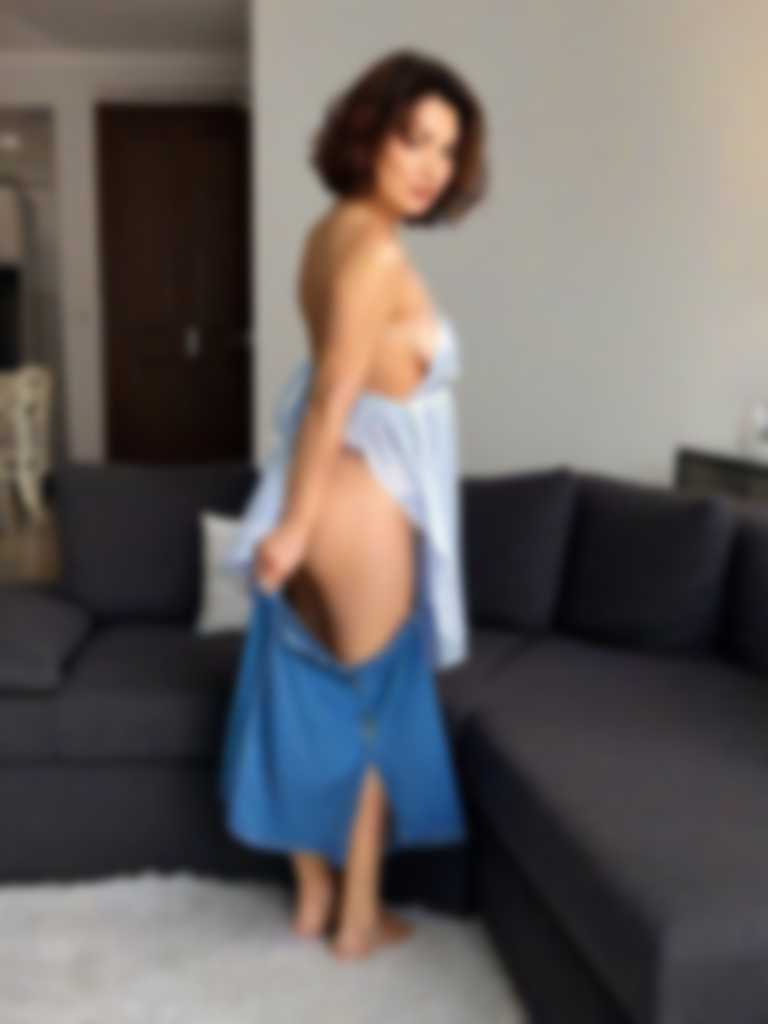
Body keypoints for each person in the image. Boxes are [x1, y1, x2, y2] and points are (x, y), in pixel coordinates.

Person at [217, 47, 489, 961]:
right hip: (357, 506)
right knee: (378, 709)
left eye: (447, 150)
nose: (430, 166)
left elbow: (335, 387)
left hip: (322, 492)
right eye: (414, 139)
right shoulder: (375, 253)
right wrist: (294, 529)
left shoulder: (330, 231)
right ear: (370, 135)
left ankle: (313, 892)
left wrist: (294, 522)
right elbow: (334, 394)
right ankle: (359, 916)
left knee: (306, 699)